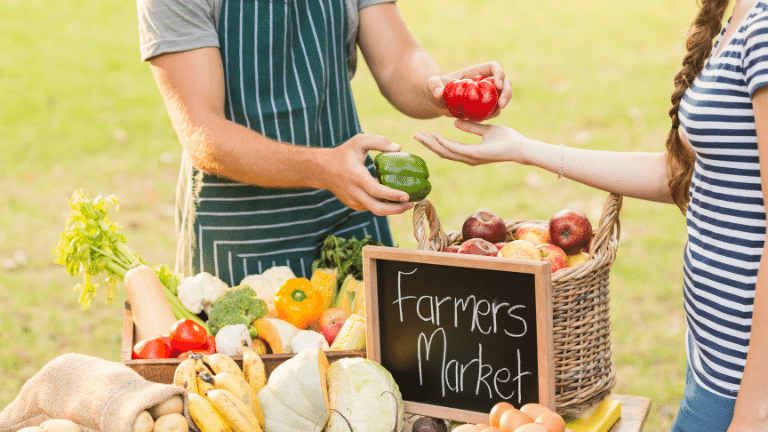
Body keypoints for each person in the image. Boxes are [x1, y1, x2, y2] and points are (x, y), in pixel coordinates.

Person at [414, 1, 768, 430]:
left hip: (745, 389)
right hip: (718, 362)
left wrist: (753, 414)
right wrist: (524, 149)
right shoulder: (741, 15)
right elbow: (678, 174)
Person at [136, 0, 512, 285]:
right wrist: (321, 168)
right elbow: (205, 131)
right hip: (242, 236)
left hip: (347, 217)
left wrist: (441, 91)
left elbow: (397, 60)